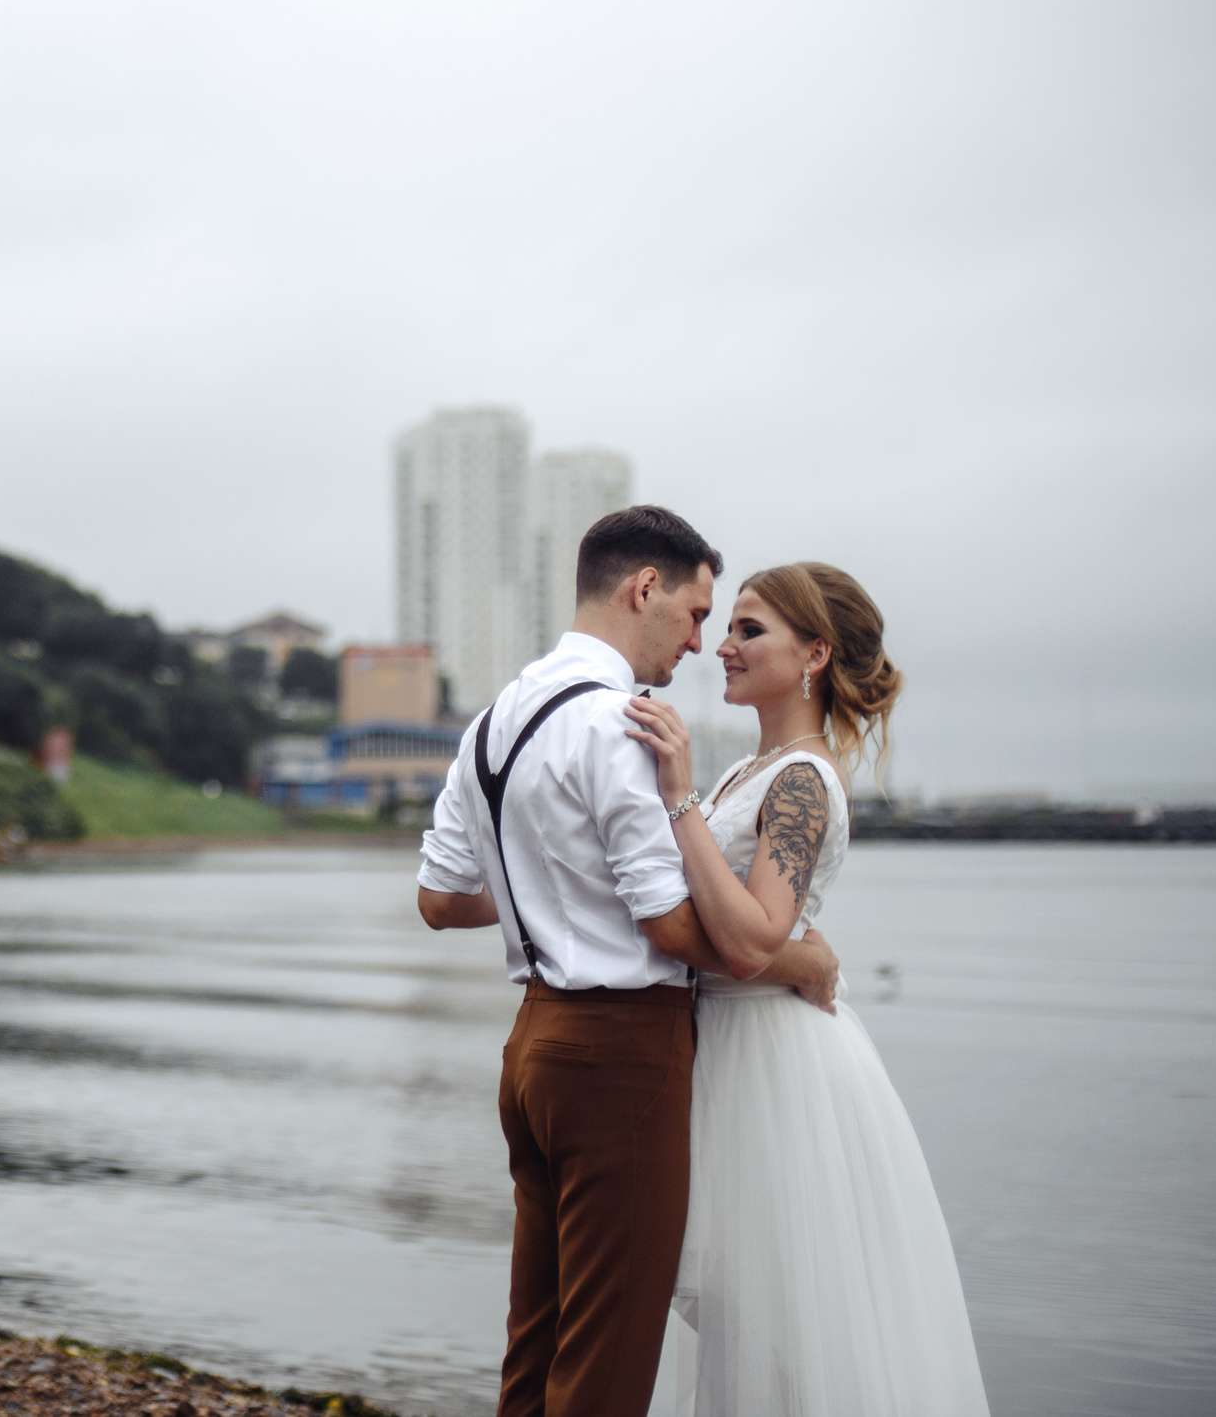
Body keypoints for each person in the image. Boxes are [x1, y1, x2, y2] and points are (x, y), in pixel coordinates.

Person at [417, 507, 840, 1417]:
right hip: (620, 1055)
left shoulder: (492, 720)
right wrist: (798, 961)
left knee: (537, 1341)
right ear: (642, 588)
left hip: (531, 1049)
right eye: (695, 614)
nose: (700, 642)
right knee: (607, 1360)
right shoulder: (620, 723)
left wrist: (548, 889)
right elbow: (673, 930)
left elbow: (441, 900)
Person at [625, 563, 990, 1416]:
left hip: (773, 1069)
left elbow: (752, 938)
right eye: (729, 628)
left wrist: (676, 797)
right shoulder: (753, 772)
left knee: (782, 1328)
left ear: (815, 652)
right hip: (728, 1051)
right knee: (751, 1326)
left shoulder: (800, 780)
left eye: (749, 629)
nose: (723, 645)